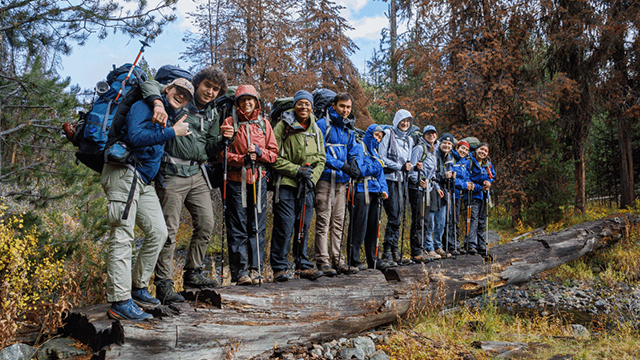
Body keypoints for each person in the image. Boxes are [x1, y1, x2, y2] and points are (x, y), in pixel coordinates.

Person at [102, 78, 193, 320]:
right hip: (125, 173)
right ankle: (120, 302)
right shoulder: (145, 105)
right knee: (123, 236)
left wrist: (171, 128)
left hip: (143, 181)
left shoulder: (168, 116)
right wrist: (172, 132)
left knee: (158, 232)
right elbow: (134, 136)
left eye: (186, 96)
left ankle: (138, 287)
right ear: (167, 89)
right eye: (179, 91)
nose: (181, 96)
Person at [141, 67, 230, 304]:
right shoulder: (179, 100)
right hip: (171, 173)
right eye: (207, 86)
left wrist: (223, 140)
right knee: (169, 231)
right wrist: (158, 106)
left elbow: (210, 147)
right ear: (197, 83)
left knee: (206, 223)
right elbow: (149, 85)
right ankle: (164, 284)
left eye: (215, 89)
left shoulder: (213, 113)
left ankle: (193, 273)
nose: (210, 92)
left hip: (197, 173)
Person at [220, 85, 278, 285]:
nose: (246, 103)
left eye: (250, 99)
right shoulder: (229, 123)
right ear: (237, 103)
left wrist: (261, 154)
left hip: (258, 179)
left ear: (256, 102)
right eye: (242, 100)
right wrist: (241, 159)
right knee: (237, 227)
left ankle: (256, 269)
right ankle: (240, 272)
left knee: (257, 226)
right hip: (236, 181)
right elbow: (221, 155)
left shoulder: (263, 124)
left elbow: (274, 153)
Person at [270, 90, 326, 282]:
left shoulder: (316, 130)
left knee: (303, 224)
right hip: (285, 183)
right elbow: (273, 157)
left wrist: (312, 178)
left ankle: (302, 265)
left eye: (307, 104)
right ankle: (279, 268)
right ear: (295, 105)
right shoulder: (282, 126)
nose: (304, 107)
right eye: (300, 103)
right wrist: (296, 170)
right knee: (284, 226)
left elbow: (321, 158)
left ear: (312, 107)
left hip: (307, 185)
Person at [314, 92, 362, 276]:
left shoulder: (348, 128)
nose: (345, 110)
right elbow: (319, 153)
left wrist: (355, 164)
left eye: (348, 107)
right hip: (325, 178)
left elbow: (354, 149)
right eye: (342, 106)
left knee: (338, 222)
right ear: (333, 105)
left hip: (342, 182)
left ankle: (338, 259)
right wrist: (342, 165)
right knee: (323, 220)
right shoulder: (322, 125)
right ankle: (322, 261)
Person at [347, 124, 392, 270]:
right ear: (370, 133)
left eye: (380, 137)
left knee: (373, 228)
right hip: (361, 191)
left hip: (375, 193)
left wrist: (385, 190)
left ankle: (373, 259)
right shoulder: (359, 147)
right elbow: (358, 170)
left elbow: (381, 176)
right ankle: (353, 260)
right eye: (376, 135)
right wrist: (377, 166)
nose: (378, 138)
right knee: (359, 226)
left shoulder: (375, 153)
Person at [379, 109, 415, 265]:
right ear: (397, 120)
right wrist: (398, 167)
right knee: (393, 214)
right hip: (389, 179)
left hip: (402, 180)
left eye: (408, 121)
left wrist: (413, 167)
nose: (405, 123)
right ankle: (387, 250)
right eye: (403, 120)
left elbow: (408, 162)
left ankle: (395, 250)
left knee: (399, 215)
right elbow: (381, 157)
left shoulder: (409, 140)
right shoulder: (388, 134)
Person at [408, 125, 440, 262]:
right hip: (418, 188)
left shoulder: (433, 151)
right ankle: (416, 251)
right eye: (428, 133)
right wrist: (418, 181)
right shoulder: (420, 148)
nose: (431, 135)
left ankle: (423, 249)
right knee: (418, 219)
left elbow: (433, 172)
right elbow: (412, 169)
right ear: (424, 135)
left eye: (433, 133)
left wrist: (434, 186)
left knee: (425, 220)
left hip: (428, 188)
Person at [464, 142, 495, 256]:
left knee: (482, 220)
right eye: (481, 149)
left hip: (484, 196)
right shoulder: (469, 162)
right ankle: (470, 244)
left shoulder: (487, 164)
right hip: (472, 195)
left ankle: (481, 244)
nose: (483, 152)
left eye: (485, 151)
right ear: (476, 150)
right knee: (473, 219)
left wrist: (489, 182)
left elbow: (493, 175)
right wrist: (480, 187)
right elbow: (467, 179)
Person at [446, 140, 473, 255]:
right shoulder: (450, 158)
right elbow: (451, 177)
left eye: (466, 150)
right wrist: (463, 185)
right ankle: (449, 245)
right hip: (449, 193)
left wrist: (469, 184)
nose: (464, 151)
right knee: (450, 220)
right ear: (457, 147)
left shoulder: (465, 161)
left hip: (458, 195)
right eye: (462, 148)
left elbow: (466, 176)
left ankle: (456, 243)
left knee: (455, 220)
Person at [433, 133, 456, 258]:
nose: (447, 145)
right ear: (440, 143)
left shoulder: (449, 158)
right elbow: (431, 174)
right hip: (434, 190)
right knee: (432, 221)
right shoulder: (435, 155)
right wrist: (444, 176)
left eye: (449, 144)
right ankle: (431, 246)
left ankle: (438, 246)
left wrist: (452, 177)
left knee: (441, 221)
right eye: (444, 143)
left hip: (445, 191)